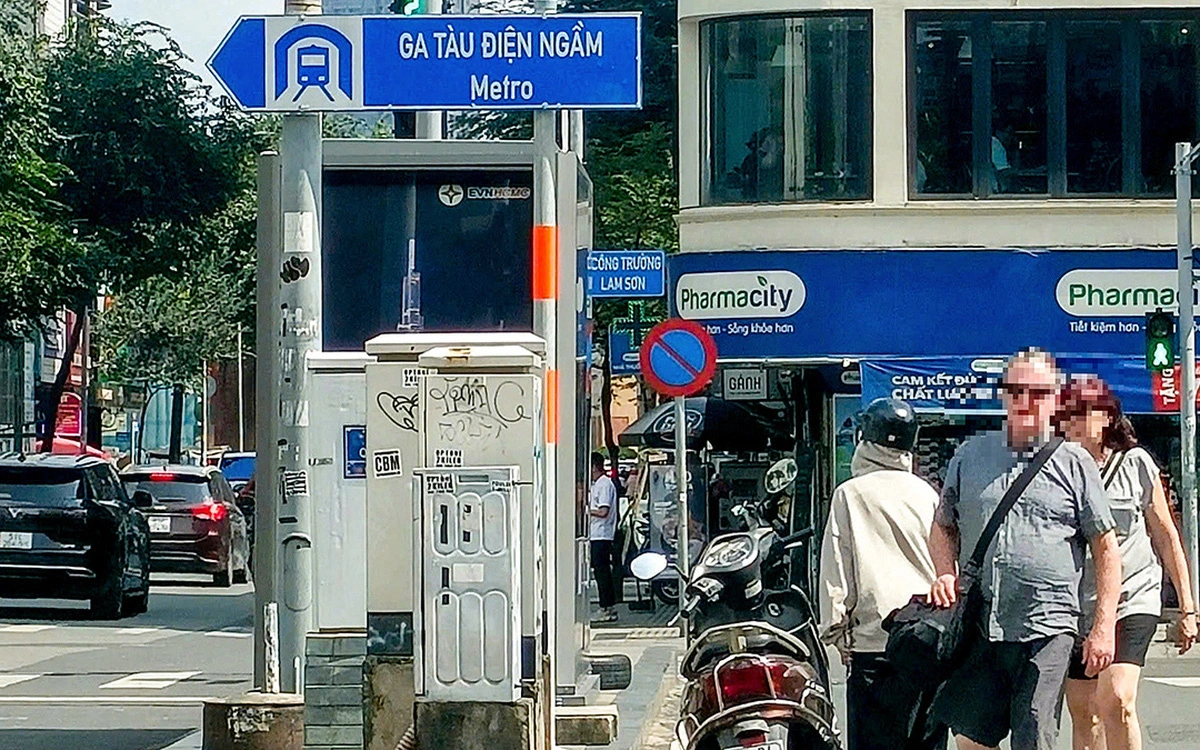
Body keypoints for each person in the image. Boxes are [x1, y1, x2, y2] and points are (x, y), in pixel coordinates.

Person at [929, 348, 1121, 750]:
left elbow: (1105, 548)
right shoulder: (970, 455)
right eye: (1016, 390)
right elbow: (943, 527)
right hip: (983, 621)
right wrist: (945, 572)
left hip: (1048, 624)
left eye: (1037, 391)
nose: (1026, 400)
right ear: (1003, 395)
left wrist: (1103, 627)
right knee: (970, 740)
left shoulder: (1075, 462)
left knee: (1034, 734)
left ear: (1053, 398)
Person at [1057, 375, 1197, 750]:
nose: (1078, 421)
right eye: (1070, 413)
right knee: (1084, 712)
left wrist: (1187, 607)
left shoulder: (1136, 463)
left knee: (1116, 698)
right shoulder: (1057, 469)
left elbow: (1165, 535)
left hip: (1134, 596)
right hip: (1075, 604)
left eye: (1087, 411)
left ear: (1108, 416)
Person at [819, 398, 947, 750]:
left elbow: (837, 568)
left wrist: (837, 631)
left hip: (873, 644)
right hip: (925, 639)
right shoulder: (927, 494)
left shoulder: (849, 494)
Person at [589, 452, 619, 624]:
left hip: (601, 533)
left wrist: (587, 511)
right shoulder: (596, 485)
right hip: (595, 533)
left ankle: (606, 607)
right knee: (600, 571)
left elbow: (603, 511)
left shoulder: (604, 485)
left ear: (595, 467)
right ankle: (606, 606)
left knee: (602, 572)